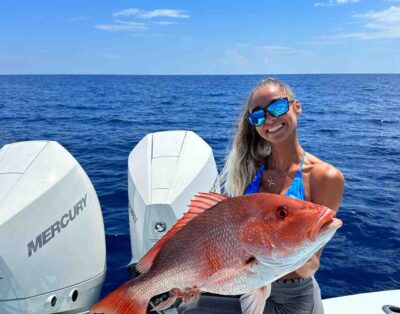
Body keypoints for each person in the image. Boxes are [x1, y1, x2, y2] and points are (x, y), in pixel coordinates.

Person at [178, 77, 344, 314]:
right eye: (258, 116)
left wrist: (278, 243)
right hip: (251, 285)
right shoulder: (250, 171)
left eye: (277, 107)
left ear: (296, 106)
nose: (270, 119)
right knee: (188, 310)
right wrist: (199, 277)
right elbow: (235, 247)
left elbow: (310, 266)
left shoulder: (325, 176)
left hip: (292, 298)